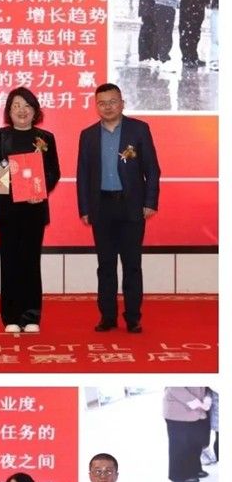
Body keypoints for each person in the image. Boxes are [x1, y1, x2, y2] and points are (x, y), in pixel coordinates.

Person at [76, 83, 160, 333]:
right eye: (102, 103)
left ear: (122, 103)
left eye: (113, 102)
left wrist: (150, 202)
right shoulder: (88, 135)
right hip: (101, 206)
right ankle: (108, 317)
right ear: (96, 106)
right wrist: (84, 208)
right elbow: (83, 175)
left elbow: (152, 170)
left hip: (131, 205)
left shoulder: (139, 129)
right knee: (106, 265)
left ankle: (133, 317)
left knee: (132, 264)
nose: (108, 107)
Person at [0, 88, 61, 333]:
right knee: (10, 261)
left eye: (27, 106)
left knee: (31, 262)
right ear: (9, 110)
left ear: (35, 110)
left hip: (34, 208)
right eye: (16, 106)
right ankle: (11, 317)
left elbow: (54, 172)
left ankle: (31, 316)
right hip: (7, 208)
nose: (22, 110)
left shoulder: (46, 138)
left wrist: (41, 190)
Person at [163, 387, 211, 482]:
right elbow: (175, 388)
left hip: (198, 410)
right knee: (180, 445)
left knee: (195, 442)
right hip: (178, 410)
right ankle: (179, 475)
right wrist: (197, 403)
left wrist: (206, 398)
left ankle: (194, 469)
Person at [178, 0, 211, 67]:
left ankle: (193, 57)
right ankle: (186, 58)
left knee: (196, 33)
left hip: (199, 3)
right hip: (188, 2)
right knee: (186, 31)